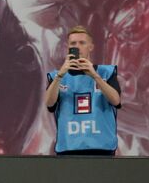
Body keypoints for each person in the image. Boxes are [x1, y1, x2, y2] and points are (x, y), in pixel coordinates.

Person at [44, 26, 121, 155]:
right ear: (68, 47)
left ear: (90, 46)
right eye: (73, 43)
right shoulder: (57, 77)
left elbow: (116, 101)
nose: (77, 46)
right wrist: (60, 76)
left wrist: (95, 76)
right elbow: (49, 104)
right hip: (69, 149)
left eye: (82, 43)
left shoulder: (105, 73)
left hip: (102, 149)